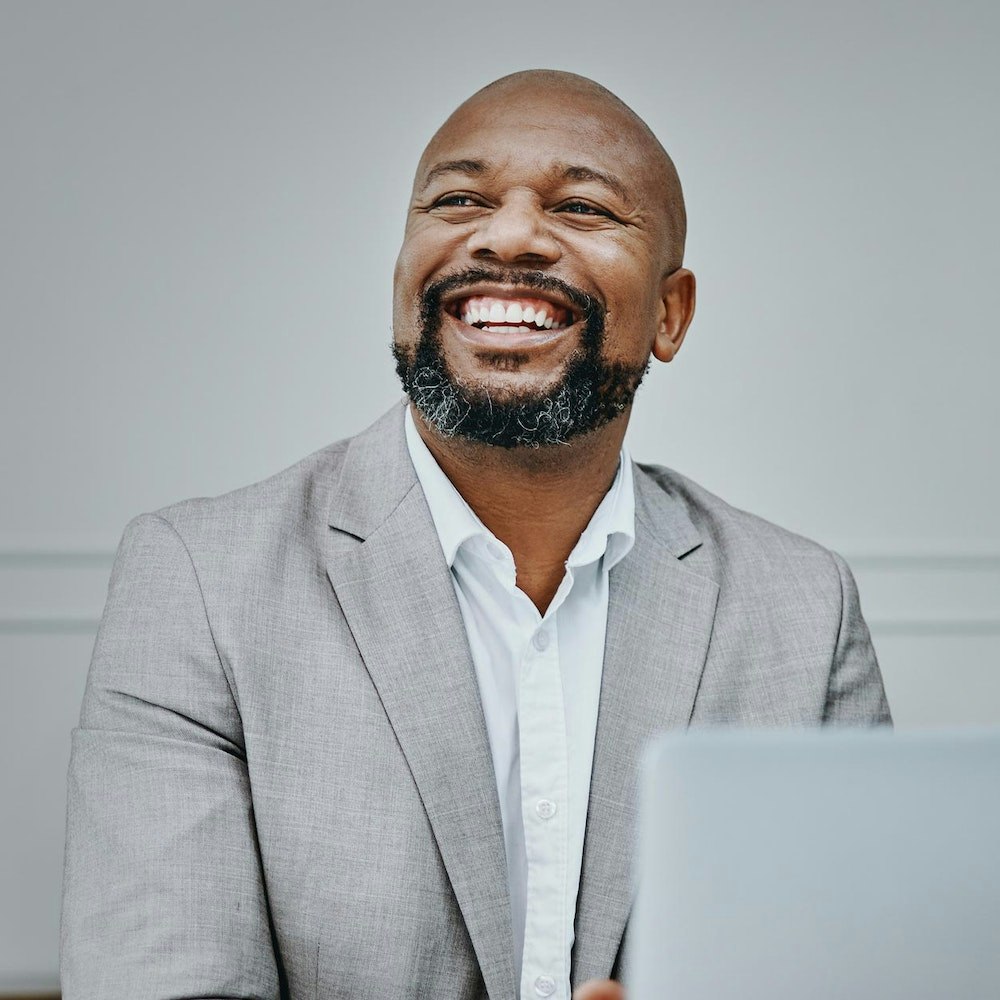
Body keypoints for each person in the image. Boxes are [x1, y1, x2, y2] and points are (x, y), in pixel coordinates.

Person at [60, 69, 890, 1000]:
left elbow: (857, 969)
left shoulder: (803, 609)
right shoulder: (200, 584)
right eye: (459, 199)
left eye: (582, 207)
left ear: (670, 312)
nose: (509, 235)